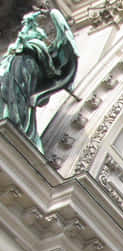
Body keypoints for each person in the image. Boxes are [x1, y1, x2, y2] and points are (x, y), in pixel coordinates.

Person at [0, 9, 78, 153]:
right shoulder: (20, 42)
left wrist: (26, 44)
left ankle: (17, 123)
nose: (25, 25)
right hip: (14, 66)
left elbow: (43, 54)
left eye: (27, 23)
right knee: (5, 86)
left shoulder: (36, 43)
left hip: (24, 68)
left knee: (15, 93)